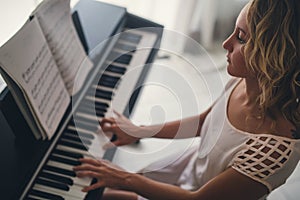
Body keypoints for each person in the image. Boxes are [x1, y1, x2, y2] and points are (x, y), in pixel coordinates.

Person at [73, 0, 300, 199]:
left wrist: (125, 179)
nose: (226, 44)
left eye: (241, 38)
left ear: (273, 56)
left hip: (195, 194)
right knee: (98, 189)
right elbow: (205, 122)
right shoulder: (246, 81)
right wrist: (139, 130)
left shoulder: (274, 151)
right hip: (191, 170)